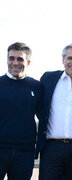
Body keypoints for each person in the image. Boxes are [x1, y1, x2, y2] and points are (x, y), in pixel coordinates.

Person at [36, 43, 72, 180]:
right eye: (70, 58)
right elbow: (40, 108)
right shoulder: (48, 79)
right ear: (63, 60)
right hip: (51, 148)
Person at [0, 42, 42, 179]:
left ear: (28, 62)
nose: (15, 63)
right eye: (11, 58)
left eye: (20, 59)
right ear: (7, 60)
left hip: (25, 152)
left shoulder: (37, 87)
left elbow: (44, 116)